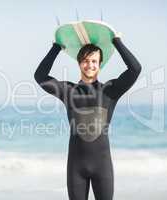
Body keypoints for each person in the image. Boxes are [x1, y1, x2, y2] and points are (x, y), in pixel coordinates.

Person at [34, 35, 141, 200]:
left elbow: (135, 69)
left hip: (102, 167)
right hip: (76, 168)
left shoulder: (110, 91)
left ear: (100, 64)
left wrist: (116, 42)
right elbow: (40, 76)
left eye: (94, 61)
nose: (90, 65)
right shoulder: (69, 91)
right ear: (79, 63)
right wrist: (56, 47)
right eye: (85, 60)